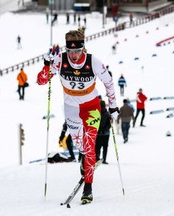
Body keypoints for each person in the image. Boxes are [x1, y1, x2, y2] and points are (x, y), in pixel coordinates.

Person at [37, 30, 119, 204]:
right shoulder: (60, 60)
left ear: (83, 48)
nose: (73, 55)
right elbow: (41, 80)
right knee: (80, 144)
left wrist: (113, 106)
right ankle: (84, 158)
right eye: (70, 51)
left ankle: (88, 188)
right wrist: (46, 64)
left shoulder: (93, 62)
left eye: (77, 51)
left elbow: (109, 82)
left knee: (90, 146)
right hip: (72, 109)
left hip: (91, 109)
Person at [95, 100, 111, 164]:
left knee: (97, 146)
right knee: (105, 147)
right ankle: (104, 159)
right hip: (106, 134)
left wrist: (99, 130)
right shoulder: (107, 114)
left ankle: (97, 158)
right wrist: (105, 130)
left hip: (98, 133)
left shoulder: (96, 113)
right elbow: (109, 124)